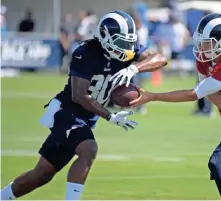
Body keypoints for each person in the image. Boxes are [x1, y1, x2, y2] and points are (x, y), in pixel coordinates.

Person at [1, 10, 167, 200]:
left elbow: (160, 59)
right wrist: (110, 115)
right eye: (122, 42)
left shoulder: (127, 51)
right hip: (66, 111)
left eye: (130, 42)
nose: (128, 47)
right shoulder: (86, 53)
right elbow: (80, 96)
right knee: (89, 149)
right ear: (105, 36)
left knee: (41, 175)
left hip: (86, 118)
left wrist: (134, 67)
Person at [130, 13, 221, 200]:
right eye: (201, 41)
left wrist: (152, 96)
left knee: (217, 163)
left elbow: (194, 93)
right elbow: (205, 89)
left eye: (208, 42)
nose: (202, 46)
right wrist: (211, 97)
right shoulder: (206, 57)